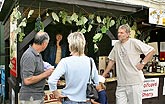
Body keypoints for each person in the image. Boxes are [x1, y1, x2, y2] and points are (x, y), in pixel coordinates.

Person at [102, 24, 155, 104]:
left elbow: (151, 50)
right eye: (118, 32)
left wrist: (142, 63)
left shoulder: (134, 42)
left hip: (135, 82)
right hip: (121, 83)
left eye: (122, 33)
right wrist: (103, 75)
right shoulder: (117, 45)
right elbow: (111, 61)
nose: (119, 34)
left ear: (128, 34)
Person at [48, 32, 99, 104]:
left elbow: (51, 81)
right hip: (85, 100)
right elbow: (96, 83)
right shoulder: (90, 61)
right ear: (83, 44)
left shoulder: (65, 62)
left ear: (71, 45)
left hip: (69, 99)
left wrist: (57, 94)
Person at [19, 31, 54, 104]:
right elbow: (27, 80)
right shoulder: (29, 56)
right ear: (44, 44)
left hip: (36, 96)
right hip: (31, 98)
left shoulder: (37, 54)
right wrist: (46, 74)